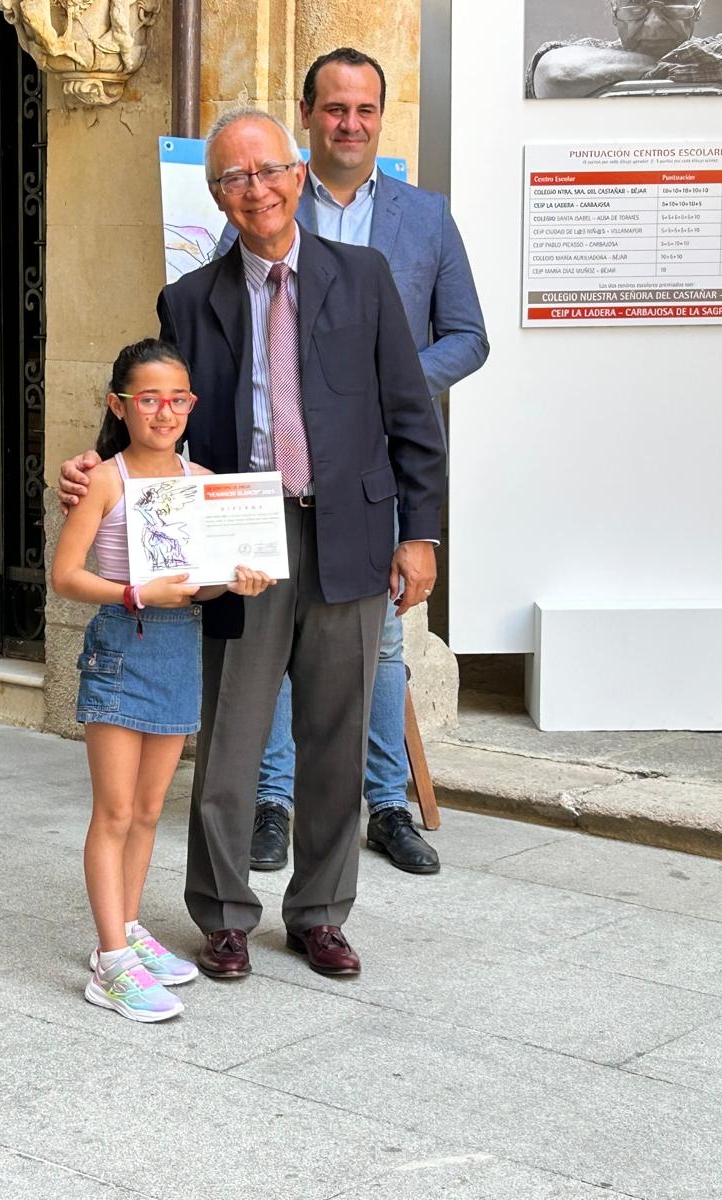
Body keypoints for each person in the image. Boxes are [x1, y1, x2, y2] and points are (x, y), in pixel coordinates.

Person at [63, 107, 446, 978]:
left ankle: (320, 912)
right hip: (236, 541)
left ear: (299, 174)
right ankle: (225, 913)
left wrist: (420, 533)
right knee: (232, 738)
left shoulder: (364, 277)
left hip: (350, 532)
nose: (256, 190)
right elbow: (154, 410)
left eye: (269, 170)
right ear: (217, 196)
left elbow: (409, 414)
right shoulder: (188, 300)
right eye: (234, 178)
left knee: (337, 734)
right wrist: (94, 463)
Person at [220, 47, 487, 876]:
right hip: (276, 470)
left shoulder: (425, 217)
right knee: (269, 634)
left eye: (365, 109)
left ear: (380, 118)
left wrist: (384, 384)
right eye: (335, 108)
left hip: (373, 466)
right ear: (307, 116)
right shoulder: (265, 201)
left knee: (381, 642)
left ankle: (386, 803)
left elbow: (469, 337)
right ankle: (272, 800)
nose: (350, 123)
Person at [51, 338, 274, 1022]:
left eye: (177, 399)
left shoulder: (200, 481)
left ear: (192, 405)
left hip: (180, 647)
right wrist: (134, 593)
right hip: (124, 645)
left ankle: (128, 927)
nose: (164, 411)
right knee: (115, 812)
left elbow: (199, 585)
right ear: (119, 405)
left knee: (149, 811)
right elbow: (66, 575)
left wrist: (237, 581)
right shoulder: (105, 479)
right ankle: (111, 961)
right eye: (148, 399)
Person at [528, 1, 722, 99]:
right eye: (635, 5)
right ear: (614, 12)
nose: (654, 25)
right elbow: (553, 74)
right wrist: (667, 66)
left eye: (673, 3)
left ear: (698, 9)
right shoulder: (714, 59)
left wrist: (632, 72)